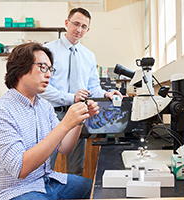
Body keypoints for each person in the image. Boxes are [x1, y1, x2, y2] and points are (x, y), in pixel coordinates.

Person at [0, 42, 99, 200]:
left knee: (94, 190)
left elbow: (65, 148)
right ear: (21, 68)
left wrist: (79, 120)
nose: (49, 74)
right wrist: (65, 124)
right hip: (12, 191)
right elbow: (21, 168)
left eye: (50, 69)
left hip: (44, 181)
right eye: (43, 67)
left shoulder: (44, 106)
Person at [40, 7, 123, 175]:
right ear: (66, 23)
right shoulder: (47, 51)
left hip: (78, 114)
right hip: (51, 114)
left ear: (88, 29)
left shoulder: (89, 56)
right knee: (45, 164)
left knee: (76, 168)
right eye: (76, 24)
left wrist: (106, 94)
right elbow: (42, 88)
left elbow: (93, 87)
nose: (79, 29)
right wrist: (72, 97)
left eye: (83, 26)